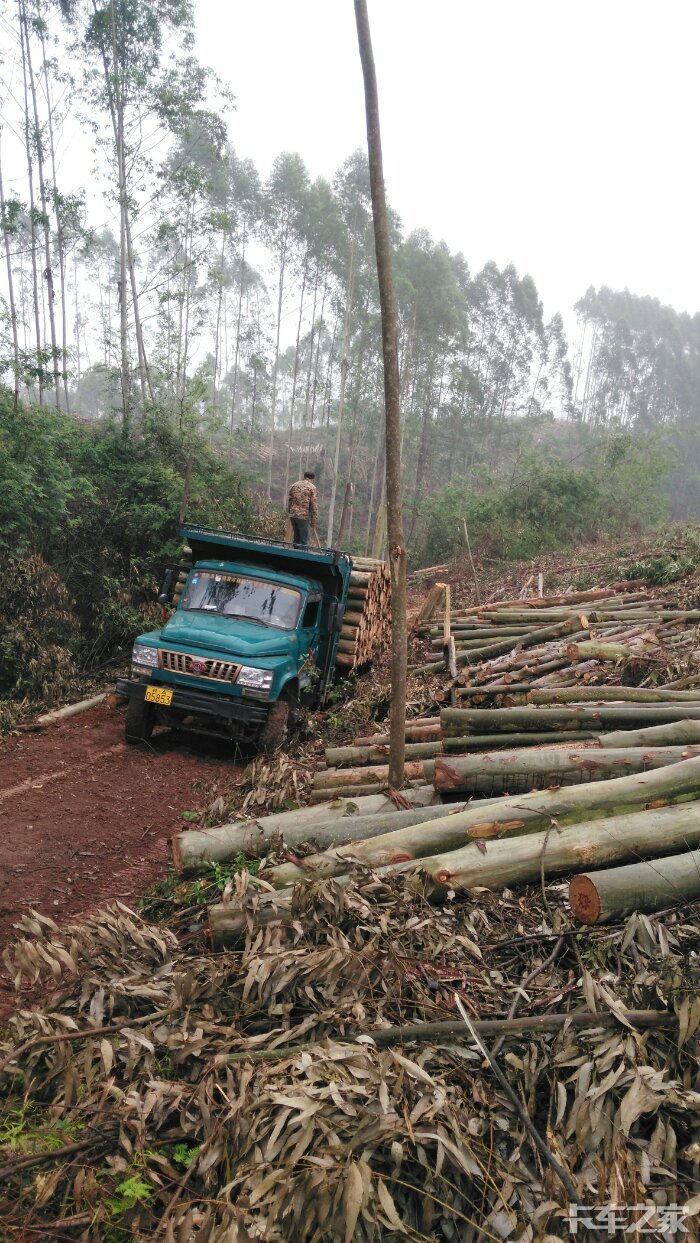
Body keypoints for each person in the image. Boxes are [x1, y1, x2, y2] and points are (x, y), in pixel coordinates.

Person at [287, 471, 318, 547]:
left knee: (296, 538)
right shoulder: (312, 487)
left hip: (293, 515)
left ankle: (295, 552)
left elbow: (290, 500)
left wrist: (290, 512)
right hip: (303, 516)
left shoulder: (294, 485)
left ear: (304, 477)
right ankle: (301, 553)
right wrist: (313, 522)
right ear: (312, 479)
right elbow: (314, 506)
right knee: (303, 540)